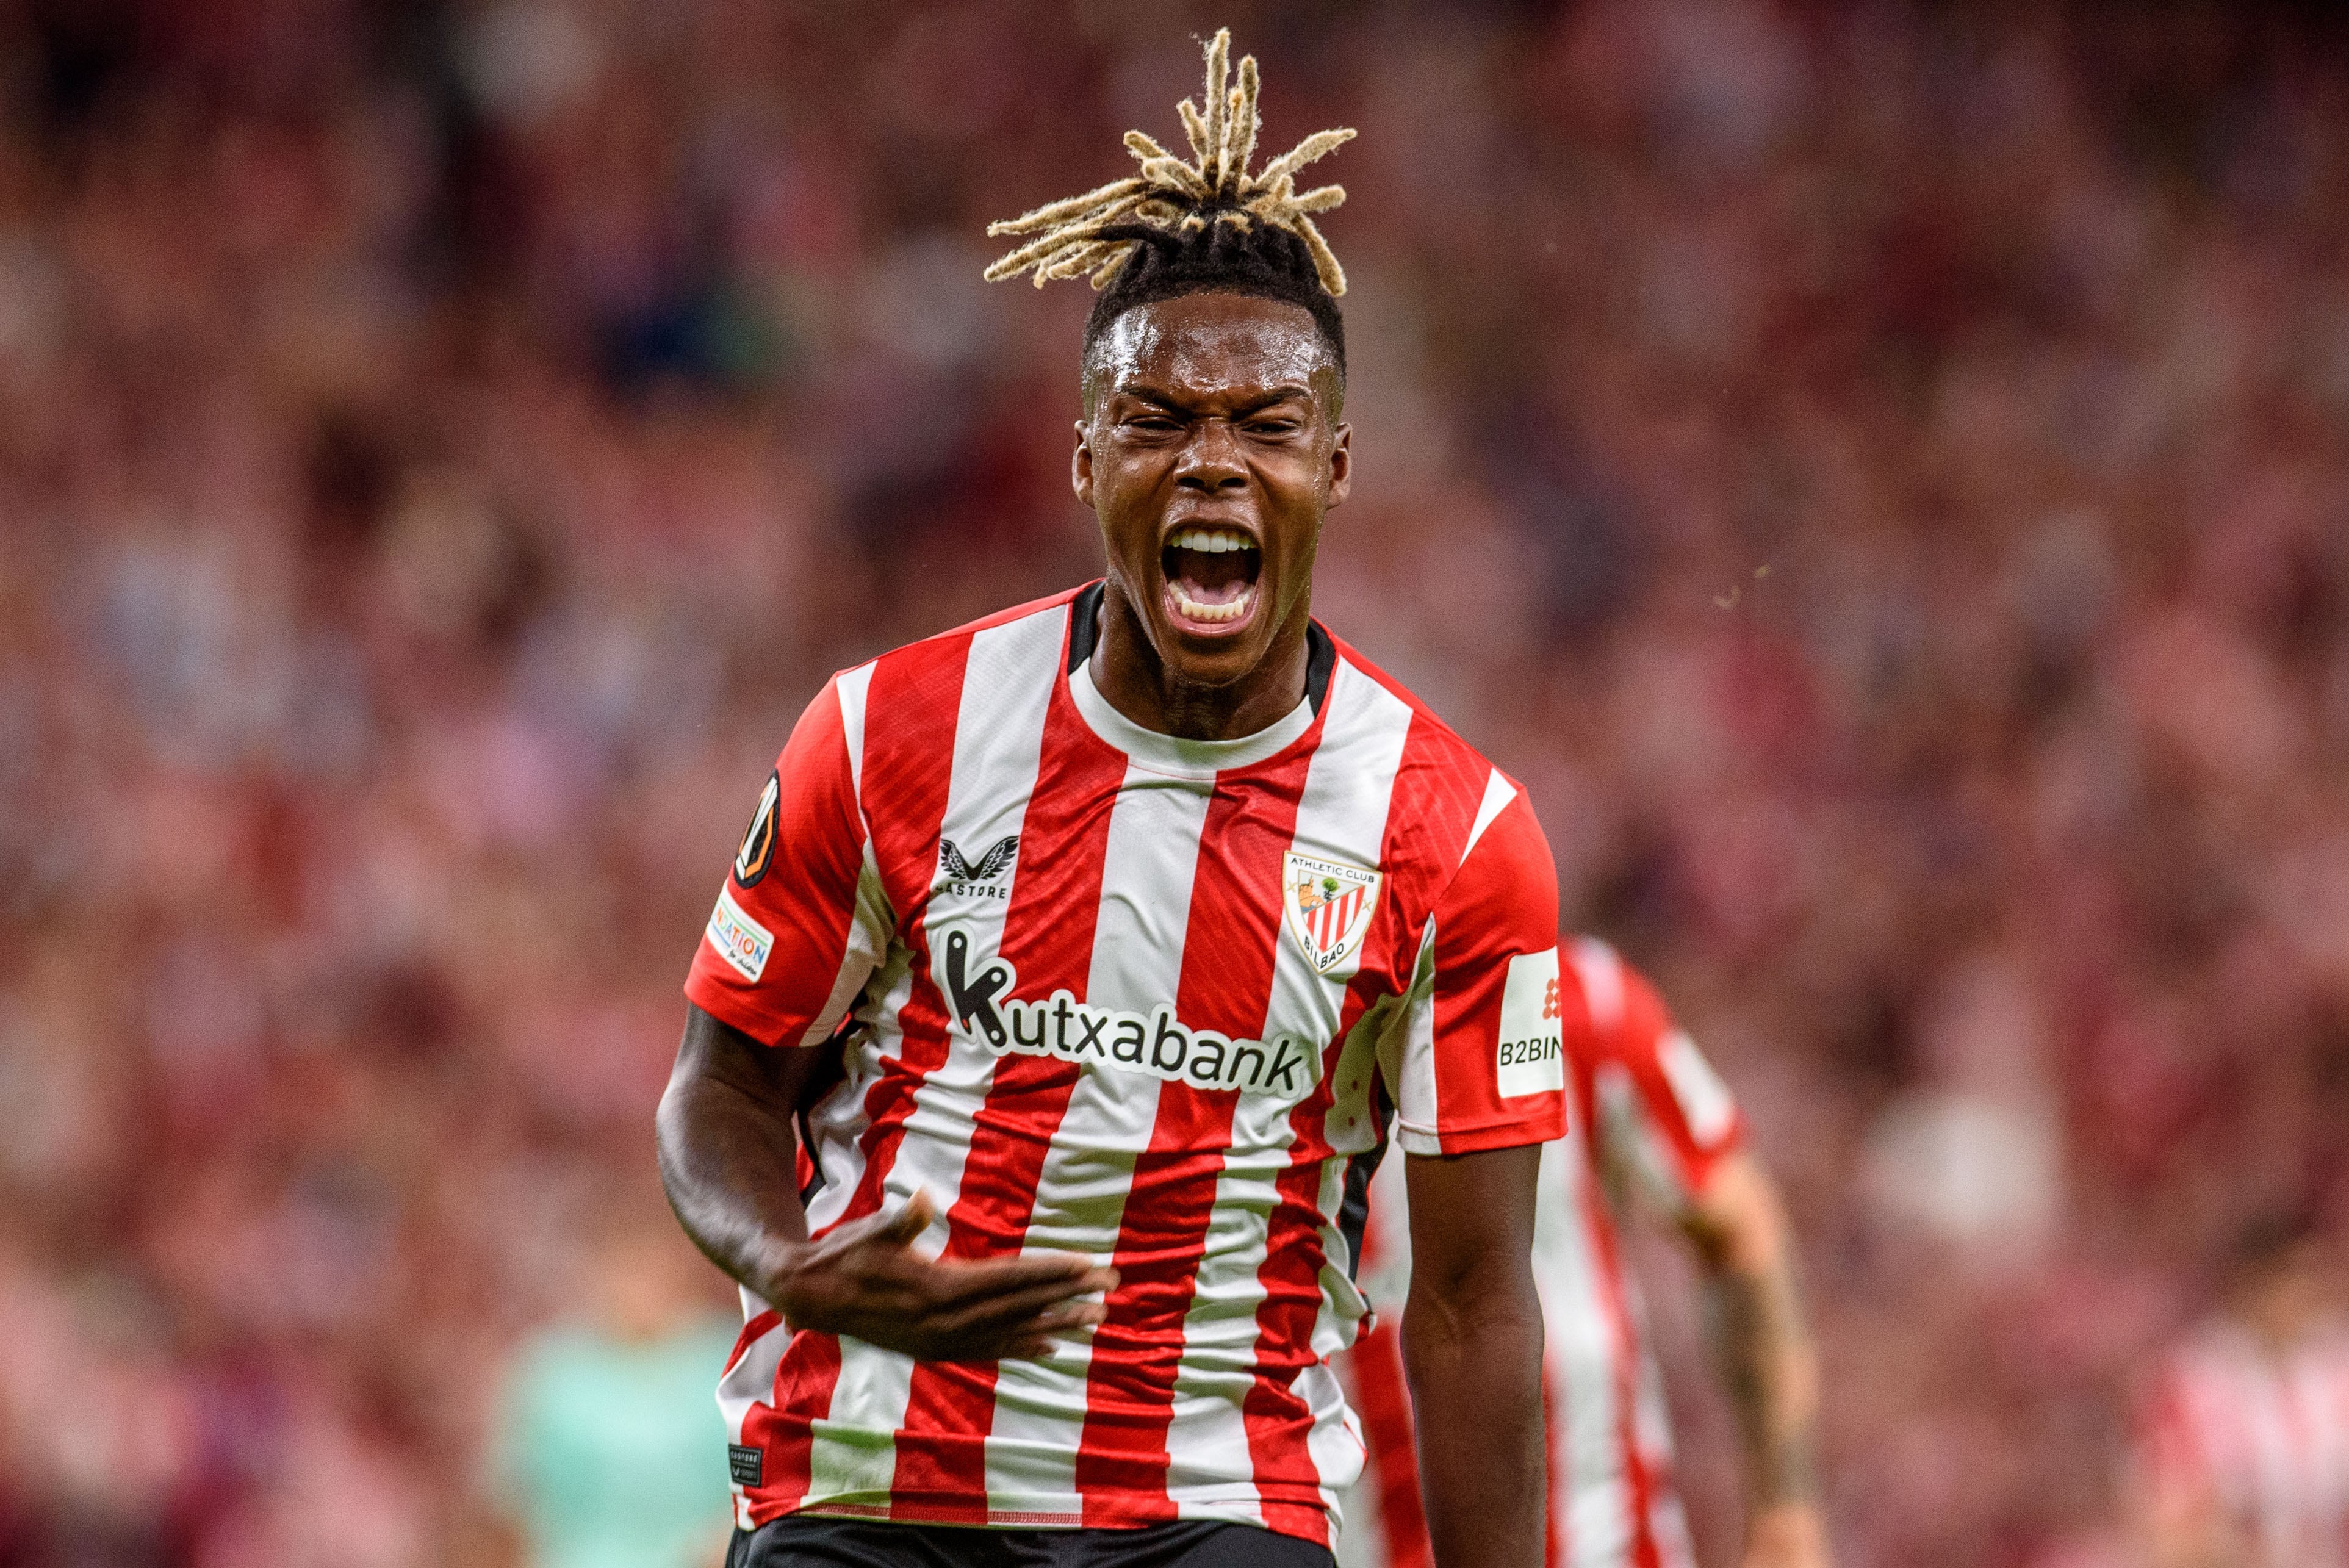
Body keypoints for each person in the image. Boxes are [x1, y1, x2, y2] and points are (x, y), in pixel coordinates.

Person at [656, 31, 1569, 1568]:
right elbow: (720, 1086)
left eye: (1265, 424)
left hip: (1213, 1501)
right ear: (1086, 455)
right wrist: (790, 1261)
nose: (1213, 464)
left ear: (1335, 464)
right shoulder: (888, 732)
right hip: (875, 1486)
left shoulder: (1456, 836)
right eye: (1159, 420)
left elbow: (1478, 1301)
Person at [1342, 938, 1829, 1568]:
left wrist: (1786, 1515)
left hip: (1605, 1545)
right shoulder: (1279, 1018)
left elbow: (1741, 1225)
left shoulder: (1581, 1000)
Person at [2131, 1207, 2349, 1568]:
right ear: (2251, 1285)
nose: (2308, 1294)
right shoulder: (2189, 1385)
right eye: (2292, 1279)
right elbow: (2167, 1525)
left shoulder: (2337, 1368)